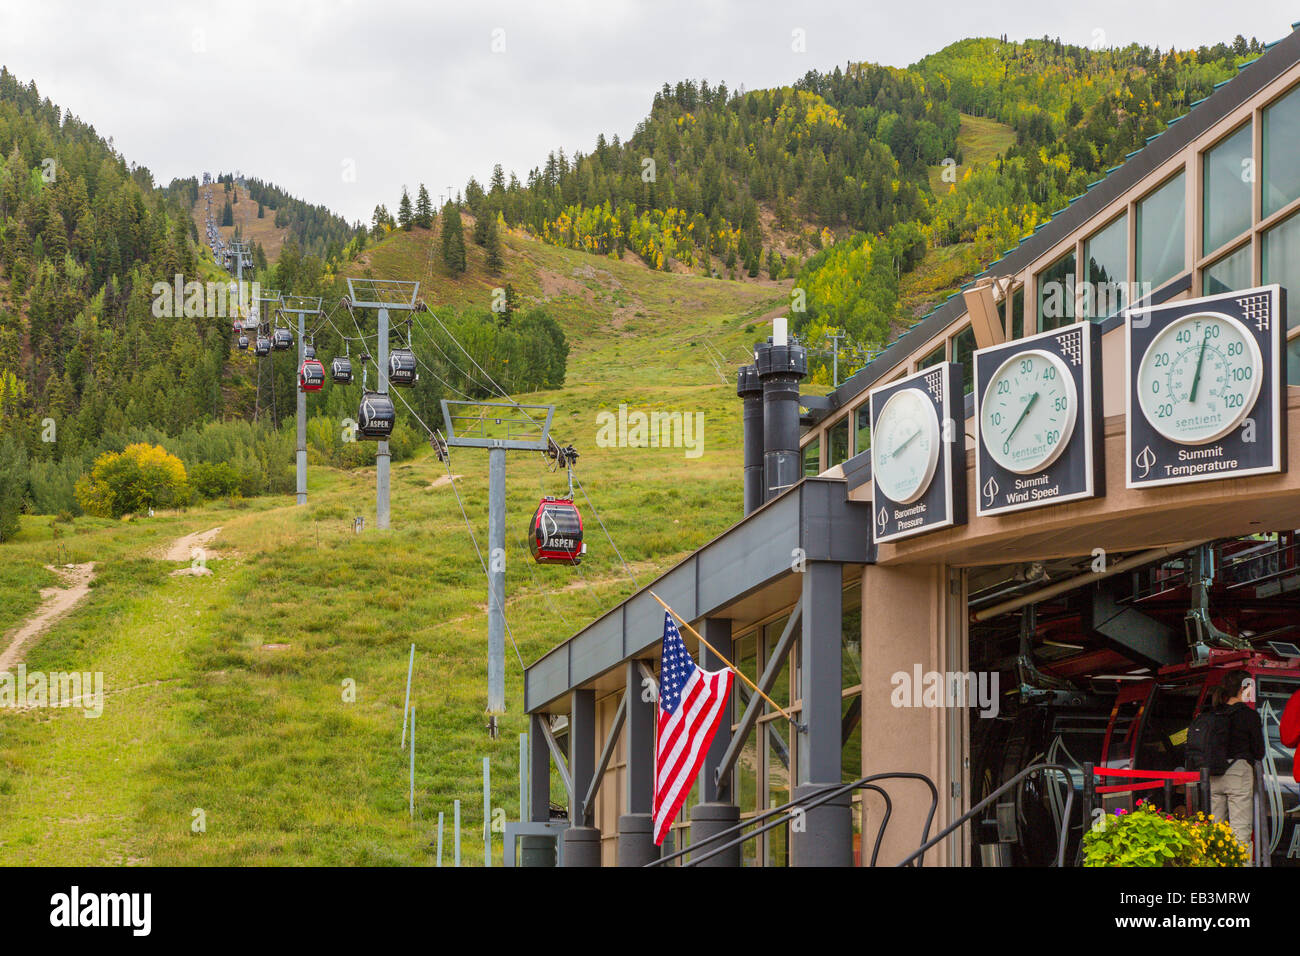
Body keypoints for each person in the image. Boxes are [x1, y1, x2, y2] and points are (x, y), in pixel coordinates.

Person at [1208, 670, 1265, 857]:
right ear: (1243, 688)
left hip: (1213, 773)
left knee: (1216, 833)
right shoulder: (1249, 716)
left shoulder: (1213, 713)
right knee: (1239, 833)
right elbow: (1259, 751)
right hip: (1238, 773)